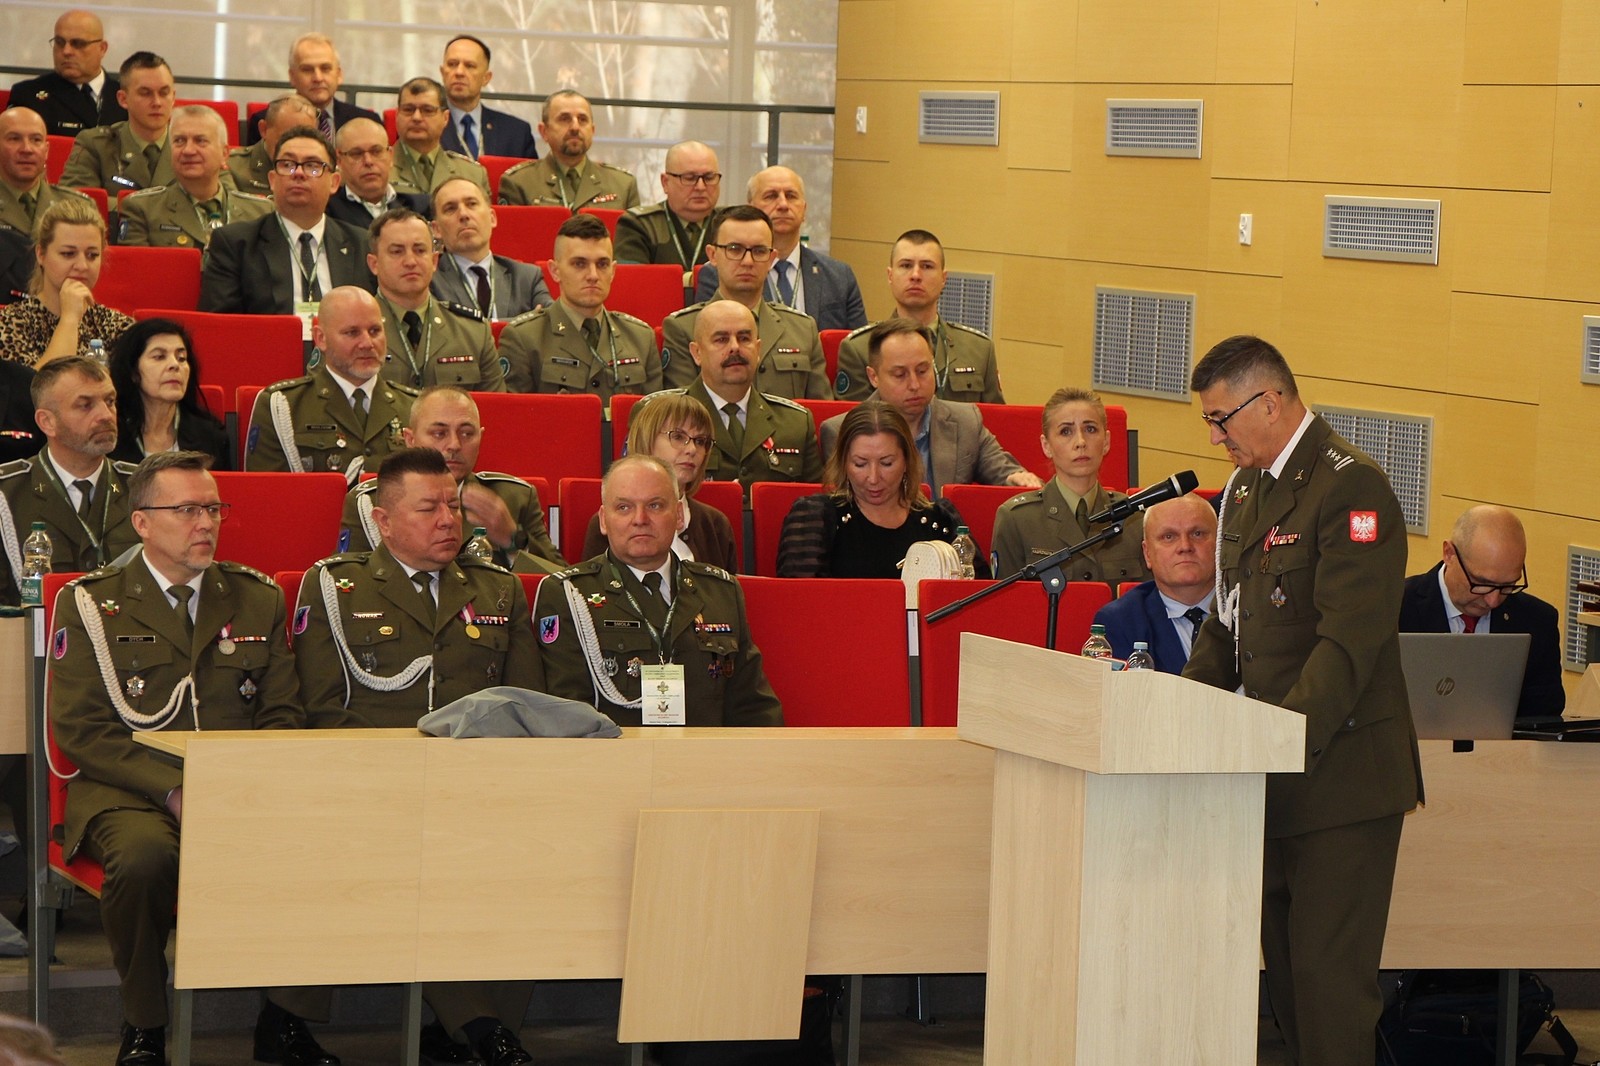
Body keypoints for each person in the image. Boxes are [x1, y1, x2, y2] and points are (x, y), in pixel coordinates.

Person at [1181, 334, 1422, 1066]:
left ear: (1270, 401)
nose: (1215, 437)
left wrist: (1275, 741)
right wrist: (1177, 711)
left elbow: (1348, 643)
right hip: (1273, 779)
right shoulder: (1246, 491)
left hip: (1340, 779)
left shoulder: (1351, 487)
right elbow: (1228, 622)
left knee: (1329, 988)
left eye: (1221, 419)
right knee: (1288, 982)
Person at [48, 451, 307, 1066]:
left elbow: (281, 712)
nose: (206, 522)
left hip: (237, 783)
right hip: (126, 789)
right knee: (144, 858)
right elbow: (82, 729)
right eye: (187, 509)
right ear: (142, 523)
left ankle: (286, 1018)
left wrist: (245, 785)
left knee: (313, 840)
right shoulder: (92, 603)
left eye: (213, 508)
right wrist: (173, 790)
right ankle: (144, 1023)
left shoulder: (256, 597)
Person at [293, 446, 541, 1066]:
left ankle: (463, 1027)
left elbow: (525, 704)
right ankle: (480, 1027)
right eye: (428, 508)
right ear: (382, 521)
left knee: (532, 848)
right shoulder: (336, 586)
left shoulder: (497, 589)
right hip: (369, 784)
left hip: (480, 784)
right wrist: (394, 779)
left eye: (454, 506)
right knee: (416, 846)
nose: (448, 520)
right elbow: (321, 709)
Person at [534, 454, 782, 727]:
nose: (640, 519)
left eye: (655, 505)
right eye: (624, 507)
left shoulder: (721, 592)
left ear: (678, 515)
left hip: (707, 752)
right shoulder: (568, 594)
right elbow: (564, 713)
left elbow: (753, 707)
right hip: (612, 751)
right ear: (604, 520)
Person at [338, 386, 565, 573]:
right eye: (440, 433)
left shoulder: (514, 498)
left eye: (467, 433)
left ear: (481, 437)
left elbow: (561, 589)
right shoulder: (369, 502)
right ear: (410, 439)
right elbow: (349, 584)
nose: (455, 445)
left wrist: (513, 541)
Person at [819, 319, 1036, 497]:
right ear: (873, 377)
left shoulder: (966, 421)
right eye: (900, 375)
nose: (914, 384)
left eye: (922, 371)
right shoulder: (840, 431)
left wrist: (1016, 478)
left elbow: (1003, 470)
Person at [1399, 504, 1565, 721]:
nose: (1493, 600)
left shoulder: (1538, 622)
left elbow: (1544, 720)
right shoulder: (1394, 610)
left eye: (1508, 586)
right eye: (1482, 583)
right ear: (1449, 554)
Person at [778, 402, 979, 579]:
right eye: (860, 464)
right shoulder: (815, 517)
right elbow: (801, 600)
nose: (873, 478)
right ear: (844, 463)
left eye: (886, 463)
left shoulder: (941, 520)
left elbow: (977, 596)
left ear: (907, 461)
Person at [199, 126, 376, 319]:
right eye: (287, 165)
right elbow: (220, 325)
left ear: (334, 182)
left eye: (312, 166)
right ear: (272, 180)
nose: (298, 173)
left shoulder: (361, 243)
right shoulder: (236, 244)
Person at [244, 286, 418, 482]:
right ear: (321, 339)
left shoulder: (413, 407)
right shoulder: (283, 407)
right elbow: (268, 491)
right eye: (352, 332)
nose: (368, 343)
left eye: (375, 331)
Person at [0, 356, 138, 602]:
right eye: (85, 405)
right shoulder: (7, 495)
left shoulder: (144, 487)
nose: (106, 415)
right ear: (47, 422)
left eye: (110, 401)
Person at [662, 205, 829, 399]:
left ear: (771, 259)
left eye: (759, 251)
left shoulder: (802, 329)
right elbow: (680, 408)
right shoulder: (683, 328)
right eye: (735, 249)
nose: (748, 261)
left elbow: (820, 410)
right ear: (713, 255)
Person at [658, 299, 821, 491]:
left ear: (758, 350)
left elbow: (815, 502)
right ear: (697, 353)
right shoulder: (662, 419)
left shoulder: (796, 423)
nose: (735, 347)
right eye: (721, 339)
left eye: (744, 338)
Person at [990, 387, 1146, 581]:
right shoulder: (1017, 519)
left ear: (1106, 441)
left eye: (1090, 429)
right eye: (1066, 431)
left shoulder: (1133, 519)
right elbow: (1009, 598)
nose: (1080, 442)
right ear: (1046, 446)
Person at [835, 229, 1004, 403]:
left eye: (927, 266)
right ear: (890, 276)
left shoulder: (979, 349)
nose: (915, 275)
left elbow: (995, 417)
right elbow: (854, 418)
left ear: (944, 278)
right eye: (906, 266)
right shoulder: (860, 349)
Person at [498, 213, 658, 396]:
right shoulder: (525, 338)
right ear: (555, 271)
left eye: (602, 264)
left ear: (613, 271)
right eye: (580, 264)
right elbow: (515, 412)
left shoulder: (641, 338)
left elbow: (657, 411)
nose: (593, 275)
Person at [693, 166, 866, 332]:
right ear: (751, 208)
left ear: (804, 209)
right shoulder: (718, 272)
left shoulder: (839, 276)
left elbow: (857, 346)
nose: (783, 205)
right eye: (771, 196)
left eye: (791, 196)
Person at [581, 392, 737, 571]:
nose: (692, 449)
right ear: (646, 439)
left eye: (701, 441)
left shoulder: (715, 524)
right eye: (678, 436)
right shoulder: (611, 521)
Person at [367, 207, 504, 390]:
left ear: (434, 261)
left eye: (420, 250)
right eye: (397, 252)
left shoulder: (473, 332)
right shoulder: (352, 331)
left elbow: (494, 404)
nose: (410, 261)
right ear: (374, 264)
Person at [1089, 493, 1217, 672]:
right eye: (1169, 537)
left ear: (1220, 544)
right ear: (1147, 553)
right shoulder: (1121, 621)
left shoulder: (1249, 610)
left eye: (1197, 534)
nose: (1185, 546)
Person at [0, 195, 132, 368]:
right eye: (68, 254)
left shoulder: (117, 325)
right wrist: (69, 319)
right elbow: (35, 385)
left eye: (92, 255)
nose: (82, 265)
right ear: (41, 254)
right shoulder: (10, 323)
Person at [116, 106, 273, 249]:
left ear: (224, 154)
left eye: (200, 141)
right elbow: (138, 269)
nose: (188, 150)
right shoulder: (143, 209)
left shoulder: (261, 212)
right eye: (179, 141)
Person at [106, 317, 230, 469]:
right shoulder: (108, 432)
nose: (174, 365)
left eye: (181, 358)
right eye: (159, 357)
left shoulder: (211, 436)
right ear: (133, 372)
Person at [428, 176, 551, 319]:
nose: (463, 214)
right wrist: (524, 322)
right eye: (450, 208)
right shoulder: (429, 280)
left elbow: (552, 323)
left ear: (492, 218)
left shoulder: (527, 277)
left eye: (471, 204)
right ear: (436, 229)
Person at [497, 90, 638, 210]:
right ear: (544, 131)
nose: (575, 127)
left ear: (592, 131)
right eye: (564, 119)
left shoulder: (623, 185)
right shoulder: (519, 183)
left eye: (582, 119)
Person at [57, 52, 174, 196]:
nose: (157, 102)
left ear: (173, 97)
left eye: (164, 93)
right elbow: (73, 201)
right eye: (145, 93)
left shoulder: (193, 147)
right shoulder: (97, 145)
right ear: (123, 99)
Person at [6, 9, 127, 137]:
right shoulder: (28, 96)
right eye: (60, 42)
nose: (66, 51)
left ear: (102, 48)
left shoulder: (127, 97)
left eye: (78, 44)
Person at [245, 34, 380, 146]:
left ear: (339, 75)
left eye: (325, 68)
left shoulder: (368, 122)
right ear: (292, 76)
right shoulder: (267, 123)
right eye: (307, 70)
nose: (318, 78)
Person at [613, 140, 719, 278]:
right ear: (665, 182)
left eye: (709, 178)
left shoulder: (730, 226)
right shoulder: (639, 225)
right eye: (689, 178)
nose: (701, 187)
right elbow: (634, 282)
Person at [438, 35, 538, 160]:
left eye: (470, 66)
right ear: (442, 73)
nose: (459, 72)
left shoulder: (516, 132)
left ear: (486, 78)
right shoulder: (425, 125)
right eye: (452, 64)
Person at [0, 108, 94, 239]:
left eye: (36, 140)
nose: (27, 149)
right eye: (14, 139)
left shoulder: (78, 206)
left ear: (46, 150)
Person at [322, 117, 430, 228]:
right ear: (339, 161)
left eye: (376, 151)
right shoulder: (325, 211)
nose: (368, 161)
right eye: (357, 154)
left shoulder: (420, 208)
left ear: (390, 156)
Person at [390, 78, 490, 198]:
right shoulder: (379, 169)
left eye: (427, 110)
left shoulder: (472, 174)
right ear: (397, 115)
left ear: (445, 118)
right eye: (408, 110)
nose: (416, 117)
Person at [226, 93, 318, 197]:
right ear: (264, 129)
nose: (295, 148)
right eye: (287, 138)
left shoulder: (321, 171)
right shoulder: (232, 168)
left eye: (305, 139)